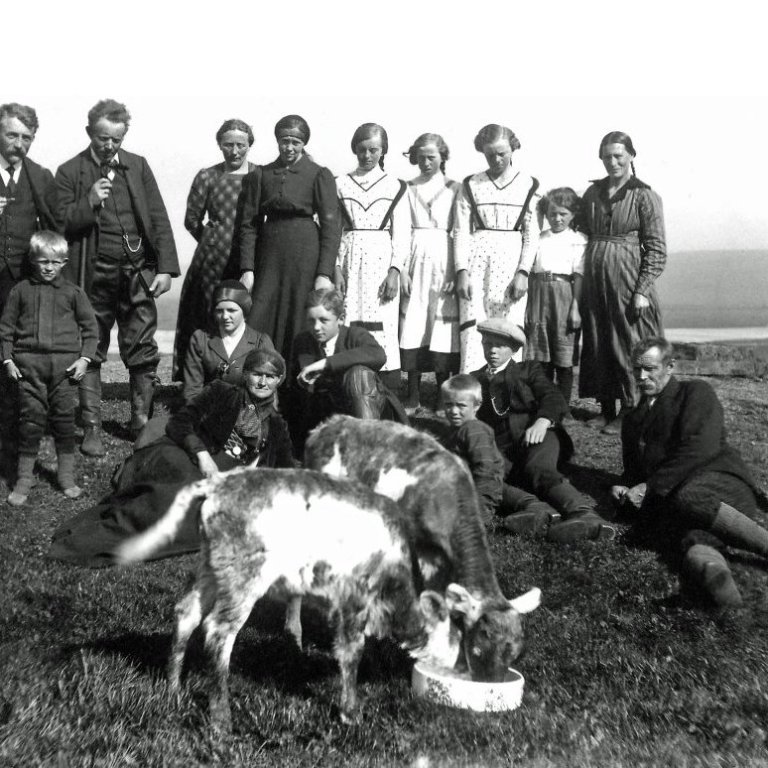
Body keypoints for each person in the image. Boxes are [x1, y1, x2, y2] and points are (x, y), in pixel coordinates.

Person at [49, 348, 295, 567]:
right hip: (184, 453)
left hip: (221, 477)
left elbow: (286, 470)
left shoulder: (277, 425)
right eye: (257, 374)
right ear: (245, 374)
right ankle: (86, 540)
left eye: (270, 377)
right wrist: (202, 456)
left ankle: (128, 540)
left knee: (196, 517)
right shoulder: (222, 391)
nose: (262, 382)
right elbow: (180, 423)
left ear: (279, 380)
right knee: (175, 492)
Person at [55, 99, 179, 456]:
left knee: (141, 342)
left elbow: (157, 216)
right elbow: (59, 223)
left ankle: (140, 421)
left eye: (116, 139)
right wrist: (89, 202)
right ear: (89, 132)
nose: (109, 145)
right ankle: (91, 427)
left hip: (138, 270)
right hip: (92, 273)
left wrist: (167, 268)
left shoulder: (137, 166)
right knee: (90, 344)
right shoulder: (71, 171)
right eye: (102, 138)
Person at [613, 337, 768, 610]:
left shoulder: (695, 392)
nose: (641, 376)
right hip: (675, 499)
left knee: (688, 497)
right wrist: (624, 485)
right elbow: (633, 470)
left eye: (650, 368)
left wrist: (650, 486)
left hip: (721, 487)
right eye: (636, 369)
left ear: (670, 366)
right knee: (690, 539)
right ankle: (717, 581)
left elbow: (701, 447)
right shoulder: (633, 419)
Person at [472, 318, 615, 542]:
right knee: (486, 475)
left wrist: (542, 421)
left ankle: (585, 514)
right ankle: (536, 509)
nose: (493, 350)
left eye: (500, 345)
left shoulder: (528, 369)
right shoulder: (474, 380)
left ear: (514, 349)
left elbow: (552, 396)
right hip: (500, 445)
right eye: (487, 344)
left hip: (537, 435)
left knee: (538, 468)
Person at [0, 231, 98, 505]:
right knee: (30, 424)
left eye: (55, 262)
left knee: (64, 424)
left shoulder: (74, 294)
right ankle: (23, 480)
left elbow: (91, 330)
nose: (48, 267)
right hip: (29, 372)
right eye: (43, 261)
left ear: (64, 262)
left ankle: (66, 478)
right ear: (33, 260)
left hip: (64, 374)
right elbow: (5, 330)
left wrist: (84, 359)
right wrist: (8, 360)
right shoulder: (20, 291)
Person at [579, 131, 666, 434]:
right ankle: (606, 408)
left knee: (627, 341)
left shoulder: (644, 195)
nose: (612, 162)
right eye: (606, 156)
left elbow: (656, 248)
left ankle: (630, 409)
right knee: (598, 337)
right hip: (594, 276)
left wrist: (642, 290)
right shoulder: (591, 194)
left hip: (627, 278)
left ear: (631, 156)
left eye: (618, 155)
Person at [238, 115, 341, 368]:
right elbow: (248, 225)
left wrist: (324, 273)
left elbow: (331, 226)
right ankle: (260, 377)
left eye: (296, 142)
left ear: (303, 143)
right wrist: (247, 269)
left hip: (305, 253)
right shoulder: (261, 175)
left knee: (300, 316)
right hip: (270, 254)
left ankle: (300, 384)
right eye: (285, 141)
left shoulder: (319, 175)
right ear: (277, 142)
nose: (290, 147)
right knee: (261, 314)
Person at [453, 124, 541, 374]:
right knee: (473, 325)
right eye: (490, 154)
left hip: (511, 259)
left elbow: (531, 234)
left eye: (502, 152)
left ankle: (508, 390)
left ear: (513, 149)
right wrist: (461, 271)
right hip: (476, 259)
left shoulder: (529, 184)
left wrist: (523, 272)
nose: (496, 159)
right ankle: (471, 387)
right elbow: (461, 231)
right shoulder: (471, 184)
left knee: (508, 325)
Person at [173, 119, 257, 380]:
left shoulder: (260, 175)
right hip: (212, 261)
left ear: (249, 145)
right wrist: (214, 239)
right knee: (209, 314)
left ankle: (244, 375)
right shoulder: (207, 176)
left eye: (240, 145)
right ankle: (202, 378)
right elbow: (191, 220)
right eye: (228, 145)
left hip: (250, 258)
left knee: (248, 313)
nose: (234, 151)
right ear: (219, 145)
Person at [0, 103, 59, 458]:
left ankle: (15, 430)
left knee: (16, 353)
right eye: (11, 135)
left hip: (20, 281)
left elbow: (55, 226)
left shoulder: (40, 176)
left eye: (26, 137)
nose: (18, 143)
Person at [335, 123, 410, 391]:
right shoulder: (340, 184)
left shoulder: (396, 186)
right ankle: (349, 380)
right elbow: (334, 229)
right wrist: (336, 268)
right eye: (362, 150)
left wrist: (394, 271)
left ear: (383, 151)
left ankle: (386, 388)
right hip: (349, 255)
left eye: (373, 150)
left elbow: (402, 236)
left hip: (381, 259)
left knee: (383, 322)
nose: (367, 156)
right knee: (347, 316)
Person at [290, 288, 407, 455]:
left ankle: (367, 452)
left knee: (359, 375)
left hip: (367, 413)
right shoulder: (303, 341)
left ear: (341, 319)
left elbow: (378, 355)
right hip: (327, 418)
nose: (316, 327)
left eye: (324, 320)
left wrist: (326, 363)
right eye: (311, 321)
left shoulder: (355, 335)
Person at [440, 373, 560, 529]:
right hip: (469, 483)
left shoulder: (474, 429)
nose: (454, 411)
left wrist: (479, 514)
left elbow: (486, 470)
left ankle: (536, 508)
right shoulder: (457, 429)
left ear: (476, 406)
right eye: (448, 405)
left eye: (461, 405)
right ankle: (536, 507)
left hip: (485, 484)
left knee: (501, 491)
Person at [399, 133, 461, 410]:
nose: (425, 162)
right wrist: (402, 269)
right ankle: (412, 394)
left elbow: (460, 230)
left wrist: (454, 272)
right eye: (421, 157)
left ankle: (441, 395)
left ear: (442, 157)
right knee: (413, 323)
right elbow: (401, 230)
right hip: (415, 255)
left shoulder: (455, 188)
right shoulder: (408, 188)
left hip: (444, 258)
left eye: (431, 157)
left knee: (441, 326)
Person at [525, 188, 587, 408]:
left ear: (573, 214)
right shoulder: (539, 239)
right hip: (539, 292)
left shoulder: (578, 240)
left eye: (563, 213)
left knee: (563, 355)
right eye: (552, 214)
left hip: (564, 294)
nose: (557, 218)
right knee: (541, 355)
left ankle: (563, 407)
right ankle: (544, 404)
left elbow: (579, 276)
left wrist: (575, 308)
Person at [182, 280, 274, 402]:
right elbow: (192, 390)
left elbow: (268, 390)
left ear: (244, 311)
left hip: (250, 412)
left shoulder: (260, 342)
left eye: (232, 310)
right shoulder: (201, 339)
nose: (225, 316)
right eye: (219, 311)